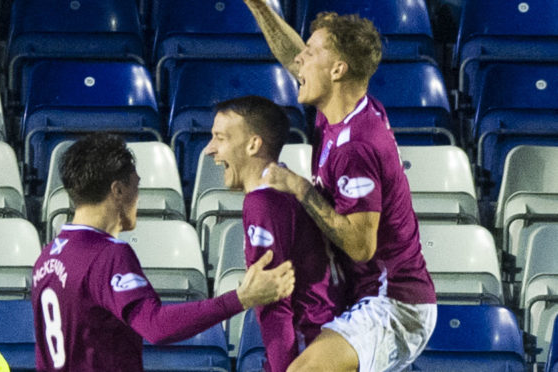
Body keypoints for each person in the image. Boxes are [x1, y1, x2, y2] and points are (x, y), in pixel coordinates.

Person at [242, 2, 438, 372]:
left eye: (312, 53)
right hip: (367, 294)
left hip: (395, 302)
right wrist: (259, 7)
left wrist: (301, 189)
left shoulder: (356, 147)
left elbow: (362, 247)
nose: (300, 61)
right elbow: (292, 55)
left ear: (337, 69)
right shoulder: (340, 107)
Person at [31, 133, 295, 371]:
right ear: (118, 190)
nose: (139, 196)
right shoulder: (107, 255)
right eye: (137, 185)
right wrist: (241, 298)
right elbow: (155, 326)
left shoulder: (47, 257)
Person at [204, 96, 349, 372]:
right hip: (331, 340)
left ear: (253, 144)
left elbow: (273, 301)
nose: (210, 149)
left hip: (308, 346)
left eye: (219, 138)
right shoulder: (296, 192)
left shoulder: (263, 202)